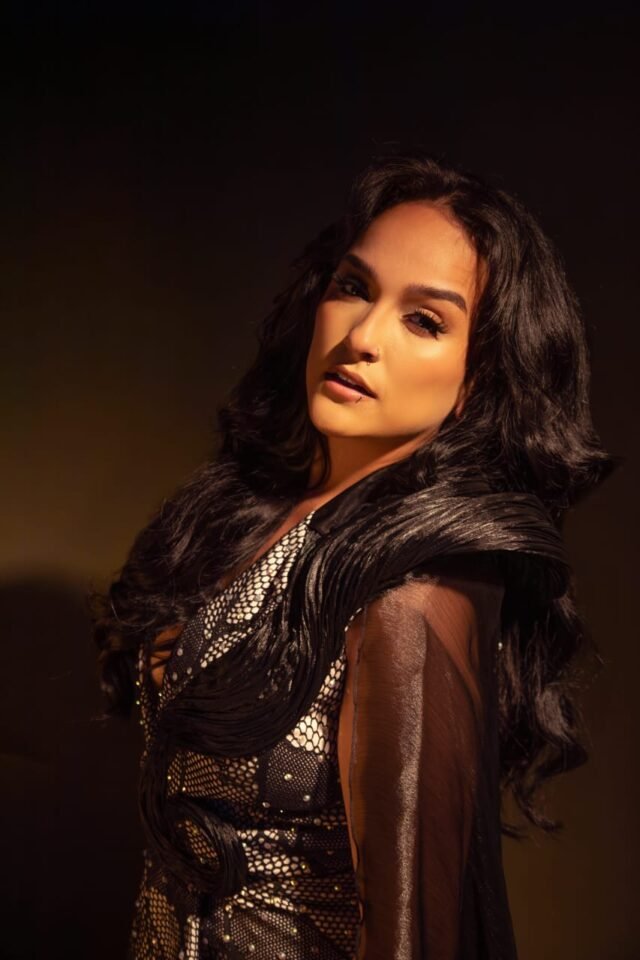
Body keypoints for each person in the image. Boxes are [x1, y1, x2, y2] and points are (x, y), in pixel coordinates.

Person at [93, 150, 616, 959]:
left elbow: (415, 933)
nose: (362, 337)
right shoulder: (250, 522)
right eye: (353, 287)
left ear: (478, 380)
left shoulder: (416, 595)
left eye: (424, 320)